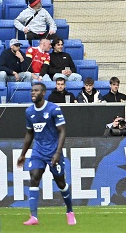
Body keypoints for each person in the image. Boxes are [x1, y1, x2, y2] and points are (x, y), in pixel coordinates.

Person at [18, 81, 76, 226]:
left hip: (53, 152)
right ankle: (34, 217)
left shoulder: (54, 109)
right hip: (38, 151)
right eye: (32, 90)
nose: (33, 92)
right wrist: (23, 154)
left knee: (61, 183)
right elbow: (29, 134)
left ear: (43, 93)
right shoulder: (29, 112)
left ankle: (69, 211)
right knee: (34, 177)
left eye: (36, 90)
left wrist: (57, 152)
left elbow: (62, 131)